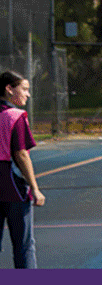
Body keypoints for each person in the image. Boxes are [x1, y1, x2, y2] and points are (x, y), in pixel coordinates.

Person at [0, 71, 44, 268]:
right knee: (24, 245)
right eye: (24, 89)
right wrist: (34, 188)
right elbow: (21, 154)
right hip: (11, 186)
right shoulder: (14, 117)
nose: (27, 94)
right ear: (9, 89)